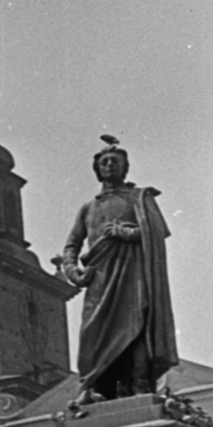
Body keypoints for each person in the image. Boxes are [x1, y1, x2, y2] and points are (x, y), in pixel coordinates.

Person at [61, 139, 177, 405]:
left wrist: (125, 232)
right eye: (104, 162)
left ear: (125, 168)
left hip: (132, 275)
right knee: (93, 334)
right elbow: (72, 244)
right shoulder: (89, 208)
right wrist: (73, 271)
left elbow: (157, 233)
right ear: (97, 170)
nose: (109, 165)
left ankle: (139, 384)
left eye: (115, 161)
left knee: (135, 328)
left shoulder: (139, 199)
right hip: (99, 280)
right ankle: (94, 386)